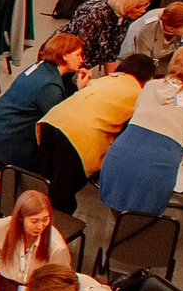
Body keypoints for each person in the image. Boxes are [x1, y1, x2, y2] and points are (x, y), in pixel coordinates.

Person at [96, 46, 183, 215]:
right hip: (154, 171)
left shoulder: (150, 86)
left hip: (119, 157)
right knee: (142, 223)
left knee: (119, 217)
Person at [37, 54, 151, 213]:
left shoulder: (104, 79)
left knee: (42, 183)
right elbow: (127, 137)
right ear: (147, 79)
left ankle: (31, 217)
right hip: (77, 137)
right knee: (61, 197)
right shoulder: (139, 95)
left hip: (52, 121)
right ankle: (54, 232)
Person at [0, 33, 87, 172]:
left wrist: (74, 84)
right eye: (78, 55)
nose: (82, 59)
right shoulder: (49, 86)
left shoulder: (41, 66)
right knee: (63, 162)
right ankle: (1, 184)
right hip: (6, 146)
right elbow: (62, 121)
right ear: (65, 55)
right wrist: (80, 90)